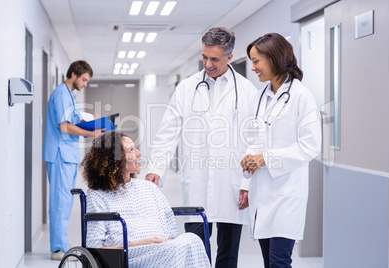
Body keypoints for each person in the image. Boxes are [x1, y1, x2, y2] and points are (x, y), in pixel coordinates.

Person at [146, 27, 257, 268]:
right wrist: (156, 168)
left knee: (228, 254)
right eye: (204, 57)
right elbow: (168, 131)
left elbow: (255, 140)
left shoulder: (247, 91)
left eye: (214, 58)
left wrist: (248, 182)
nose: (207, 64)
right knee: (194, 249)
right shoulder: (187, 87)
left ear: (229, 56)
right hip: (196, 181)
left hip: (232, 182)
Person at [240, 33, 322, 268]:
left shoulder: (301, 96)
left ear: (274, 58)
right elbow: (253, 139)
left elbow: (310, 146)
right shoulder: (259, 98)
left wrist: (266, 159)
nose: (253, 67)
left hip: (287, 192)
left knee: (279, 261)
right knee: (268, 260)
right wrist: (247, 173)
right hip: (261, 191)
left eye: (256, 61)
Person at [81, 131, 211, 267]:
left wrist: (165, 242)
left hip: (164, 250)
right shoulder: (98, 197)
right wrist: (138, 244)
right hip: (130, 255)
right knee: (177, 248)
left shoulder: (148, 188)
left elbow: (172, 231)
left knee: (192, 239)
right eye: (131, 150)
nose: (139, 153)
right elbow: (94, 248)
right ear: (115, 160)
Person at [43, 60, 104, 260]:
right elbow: (65, 127)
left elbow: (74, 121)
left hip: (66, 155)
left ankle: (60, 243)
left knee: (66, 201)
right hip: (60, 154)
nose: (85, 84)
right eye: (84, 79)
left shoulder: (69, 95)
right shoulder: (61, 94)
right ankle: (56, 249)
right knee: (60, 201)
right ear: (74, 74)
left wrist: (90, 122)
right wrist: (93, 133)